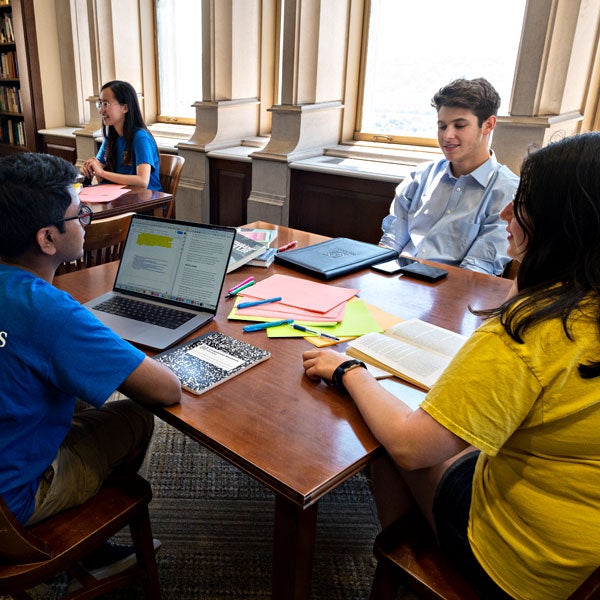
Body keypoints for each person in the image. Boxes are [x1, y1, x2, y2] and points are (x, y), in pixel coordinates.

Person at [303, 132, 600, 599]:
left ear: (562, 224)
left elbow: (409, 447)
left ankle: (411, 565)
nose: (506, 214)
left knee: (385, 442)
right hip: (584, 552)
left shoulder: (532, 331)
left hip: (521, 564)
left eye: (521, 204)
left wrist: (347, 371)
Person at [0, 153, 180, 573]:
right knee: (135, 418)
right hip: (11, 508)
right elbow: (164, 389)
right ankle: (84, 544)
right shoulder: (49, 311)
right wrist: (102, 341)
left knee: (75, 397)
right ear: (47, 239)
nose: (86, 218)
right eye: (79, 212)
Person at [379, 77, 519, 275]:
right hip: (396, 281)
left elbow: (476, 271)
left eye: (459, 126)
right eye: (442, 126)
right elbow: (389, 246)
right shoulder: (420, 176)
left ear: (488, 125)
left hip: (452, 294)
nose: (447, 136)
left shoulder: (507, 191)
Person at [80, 80, 162, 191]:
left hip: (144, 201)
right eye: (100, 104)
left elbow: (142, 181)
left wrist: (102, 173)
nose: (101, 110)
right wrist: (89, 168)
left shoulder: (140, 137)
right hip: (119, 196)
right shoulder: (111, 136)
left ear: (125, 108)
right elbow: (98, 166)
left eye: (106, 104)